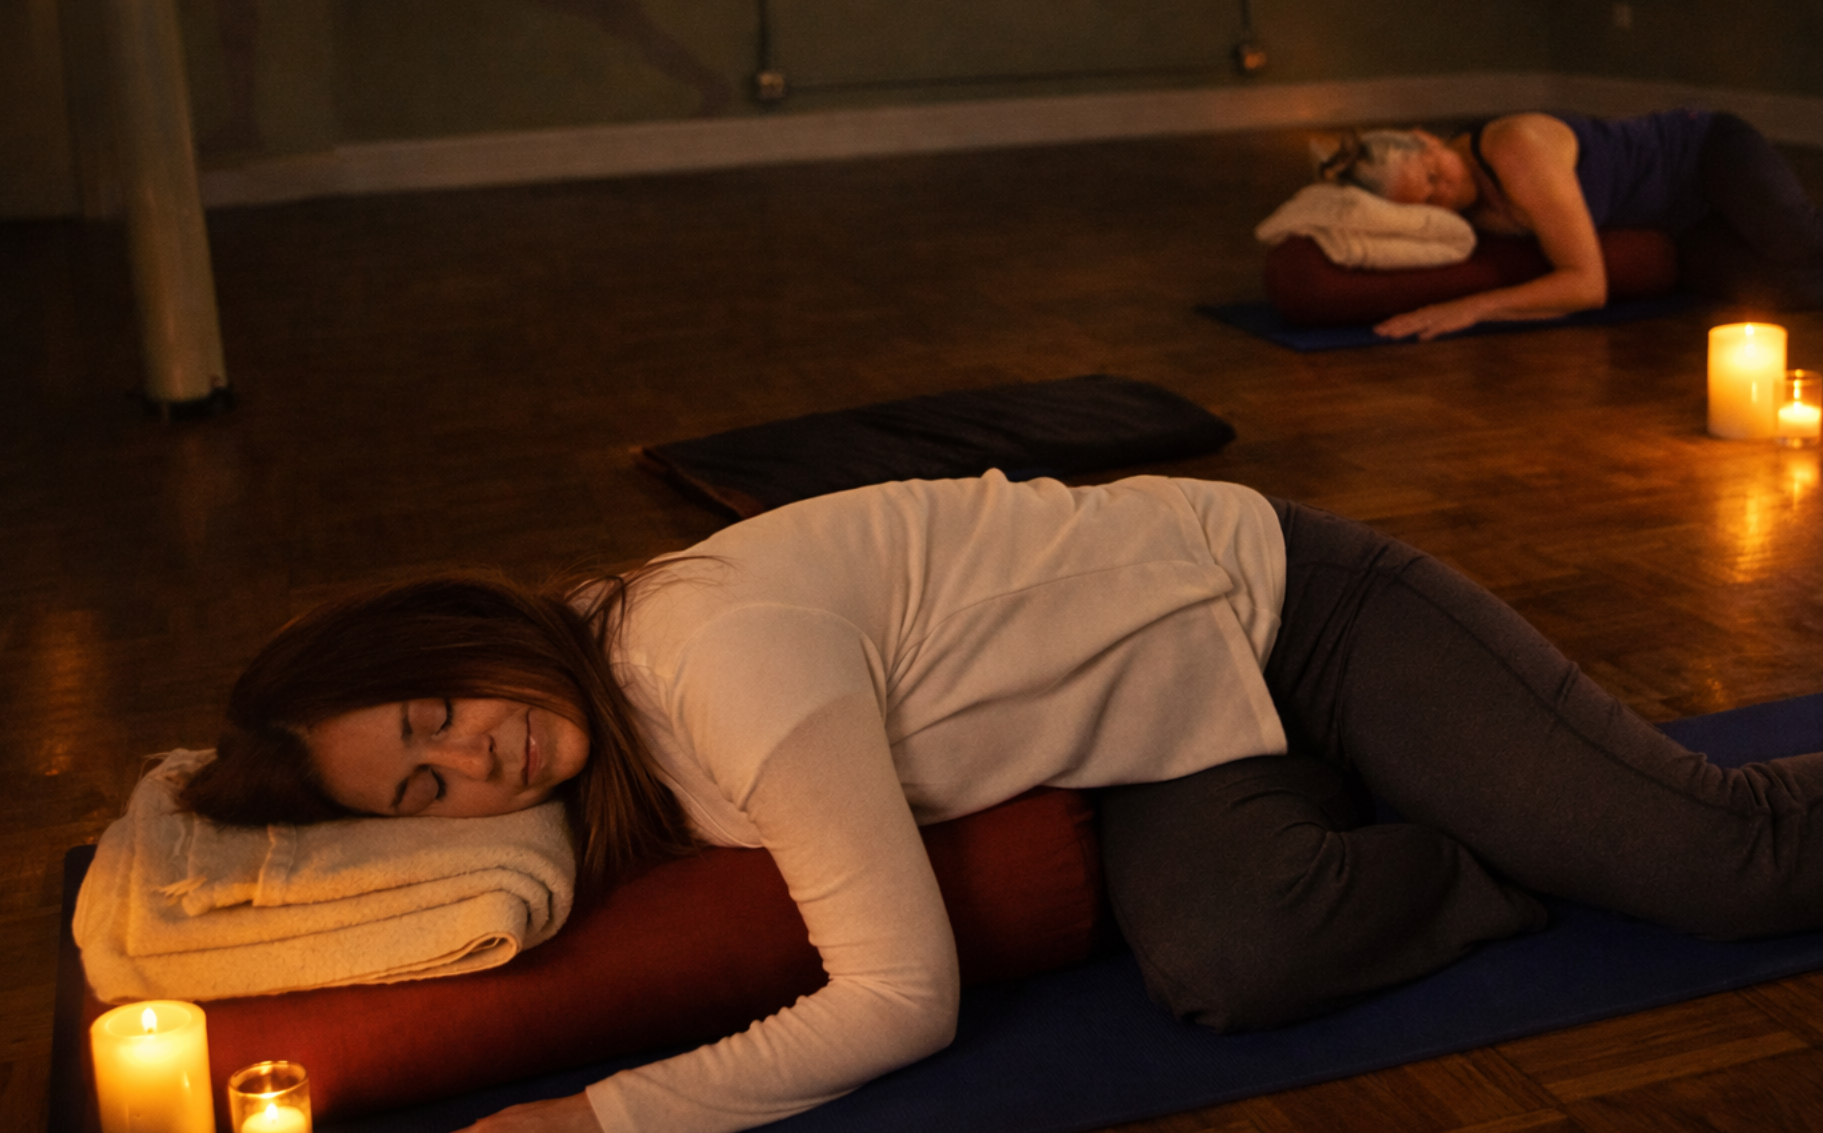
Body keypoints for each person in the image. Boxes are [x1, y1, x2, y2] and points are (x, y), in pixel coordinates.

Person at [181, 471, 1823, 1133]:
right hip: (1167, 738)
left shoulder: (705, 652)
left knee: (1720, 857)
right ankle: (1483, 822)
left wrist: (594, 1118)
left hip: (1291, 610)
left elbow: (901, 994)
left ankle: (1511, 792)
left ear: (454, 636)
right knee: (1229, 963)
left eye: (438, 710)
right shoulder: (599, 744)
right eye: (423, 783)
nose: (476, 762)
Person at [1313, 109, 1823, 340]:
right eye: (1425, 200)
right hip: (1679, 229)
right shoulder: (1459, 216)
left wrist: (1470, 308)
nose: (1441, 193)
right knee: (1794, 288)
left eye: (1432, 174)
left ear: (1427, 138)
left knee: (1796, 239)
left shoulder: (1514, 148)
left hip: (1705, 153)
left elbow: (1587, 285)